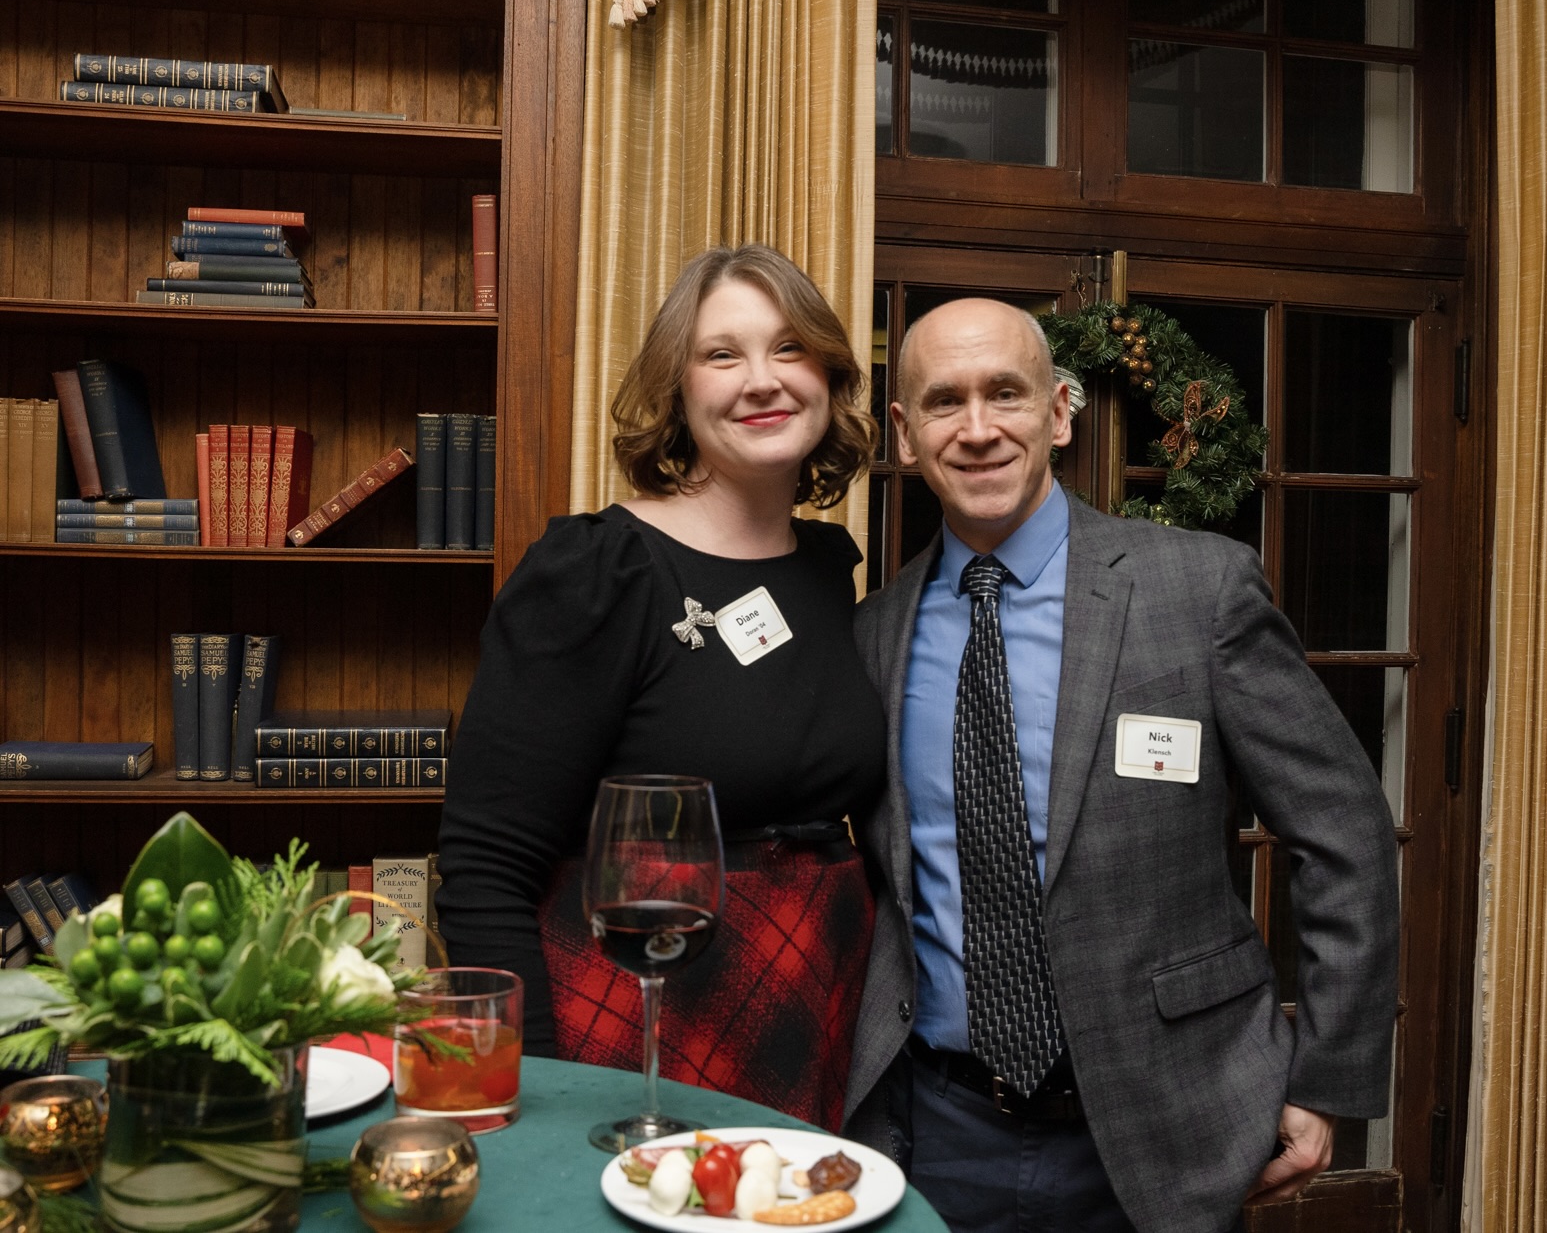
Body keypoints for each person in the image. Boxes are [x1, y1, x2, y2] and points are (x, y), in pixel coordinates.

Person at [842, 297, 1399, 1233]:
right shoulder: (874, 633)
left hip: (1174, 1120)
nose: (978, 430)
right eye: (945, 402)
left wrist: (1325, 1079)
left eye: (1006, 394)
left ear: (1059, 412)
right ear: (905, 434)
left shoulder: (1199, 589)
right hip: (938, 1134)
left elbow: (1344, 834)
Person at [436, 244, 884, 1130]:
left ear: (830, 378)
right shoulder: (597, 572)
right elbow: (485, 866)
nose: (763, 380)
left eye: (790, 348)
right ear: (678, 390)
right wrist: (543, 1096)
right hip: (633, 1020)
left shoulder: (830, 571)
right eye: (723, 355)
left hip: (814, 1009)